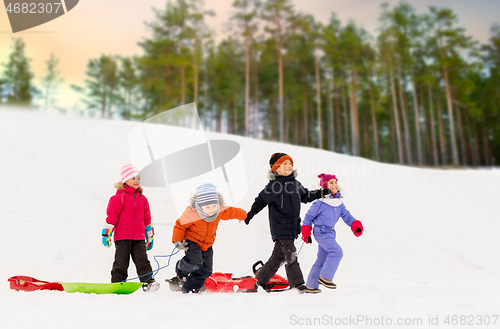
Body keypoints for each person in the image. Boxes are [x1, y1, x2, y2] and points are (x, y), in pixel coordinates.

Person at [244, 153, 331, 294]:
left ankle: (261, 279)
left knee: (278, 258)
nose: (289, 166)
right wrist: (251, 213)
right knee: (291, 255)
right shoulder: (274, 186)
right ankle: (297, 284)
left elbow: (306, 196)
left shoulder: (296, 184)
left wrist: (321, 193)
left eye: (290, 163)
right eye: (284, 164)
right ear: (276, 169)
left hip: (292, 228)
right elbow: (260, 200)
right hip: (280, 227)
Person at [170, 183, 247, 293]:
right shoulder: (192, 213)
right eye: (207, 207)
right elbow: (180, 225)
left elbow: (232, 212)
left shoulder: (219, 211)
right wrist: (177, 240)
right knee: (195, 263)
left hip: (207, 244)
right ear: (200, 206)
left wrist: (244, 215)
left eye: (214, 206)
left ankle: (191, 288)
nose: (211, 210)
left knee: (206, 270)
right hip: (192, 242)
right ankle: (180, 267)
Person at [101, 164, 159, 293]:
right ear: (125, 180)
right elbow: (111, 218)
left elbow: (147, 220)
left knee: (143, 261)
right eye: (133, 178)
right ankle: (117, 284)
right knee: (121, 262)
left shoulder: (143, 199)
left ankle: (148, 283)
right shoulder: (117, 198)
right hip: (122, 237)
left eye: (138, 178)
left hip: (138, 238)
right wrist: (106, 234)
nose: (136, 181)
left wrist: (149, 236)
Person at [301, 173, 364, 292]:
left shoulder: (338, 203)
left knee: (322, 258)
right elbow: (308, 217)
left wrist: (355, 225)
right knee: (336, 251)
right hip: (321, 231)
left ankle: (311, 285)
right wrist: (306, 231)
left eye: (335, 182)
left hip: (330, 232)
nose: (334, 185)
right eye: (331, 183)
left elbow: (347, 216)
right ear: (324, 186)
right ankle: (325, 277)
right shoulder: (320, 202)